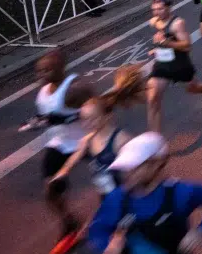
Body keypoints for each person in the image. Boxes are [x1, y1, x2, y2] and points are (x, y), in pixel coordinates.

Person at [87, 132, 202, 254]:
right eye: (124, 168)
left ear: (156, 164)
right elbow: (97, 229)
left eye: (135, 167)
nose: (127, 174)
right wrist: (107, 245)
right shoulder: (116, 198)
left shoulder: (179, 193)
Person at [48, 66, 143, 225]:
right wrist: (63, 172)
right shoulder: (87, 140)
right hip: (106, 193)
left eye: (92, 119)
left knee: (129, 231)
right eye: (84, 119)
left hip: (126, 194)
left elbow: (139, 164)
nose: (87, 124)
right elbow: (75, 156)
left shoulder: (120, 139)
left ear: (107, 117)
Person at [24, 50, 95, 254]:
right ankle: (70, 224)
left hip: (87, 141)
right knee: (51, 191)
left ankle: (125, 219)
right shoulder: (43, 91)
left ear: (61, 68)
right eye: (40, 70)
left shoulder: (76, 89)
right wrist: (38, 121)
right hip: (60, 144)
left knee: (110, 183)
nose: (43, 74)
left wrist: (64, 120)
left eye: (48, 69)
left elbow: (102, 107)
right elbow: (49, 115)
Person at [148, 0, 202, 132]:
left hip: (179, 64)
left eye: (160, 9)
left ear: (169, 8)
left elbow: (187, 46)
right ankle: (154, 139)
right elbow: (160, 37)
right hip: (161, 64)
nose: (157, 12)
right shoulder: (154, 21)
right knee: (152, 98)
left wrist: (165, 42)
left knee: (192, 88)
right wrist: (157, 49)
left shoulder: (177, 23)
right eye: (154, 9)